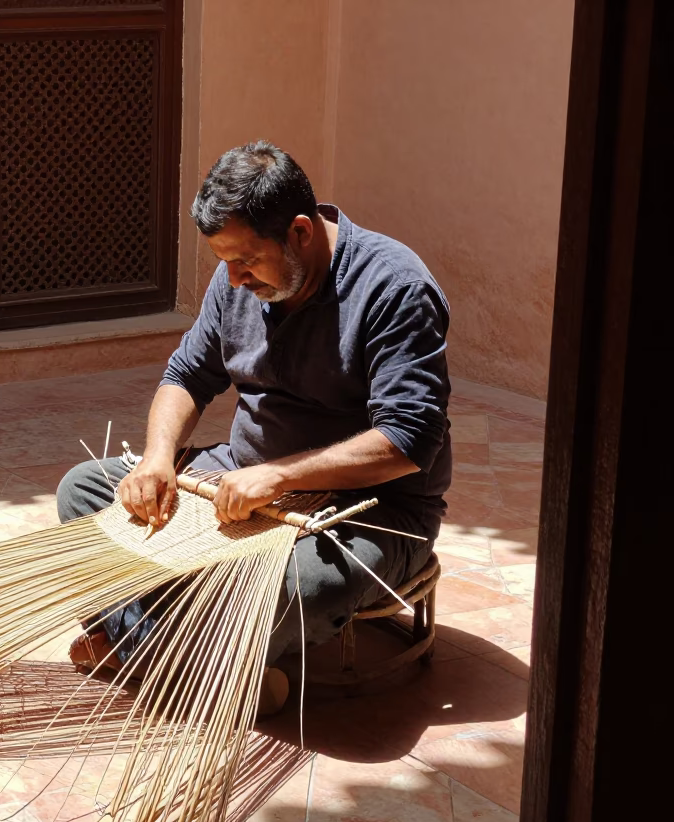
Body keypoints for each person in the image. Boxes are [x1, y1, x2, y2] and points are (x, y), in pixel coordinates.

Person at [56, 141, 452, 714]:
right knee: (84, 492)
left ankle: (139, 640)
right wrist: (158, 457)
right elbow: (186, 376)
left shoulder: (395, 288)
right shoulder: (236, 279)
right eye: (224, 261)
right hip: (239, 477)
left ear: (299, 232)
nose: (235, 278)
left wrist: (280, 476)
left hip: (372, 508)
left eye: (246, 260)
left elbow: (409, 439)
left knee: (303, 587)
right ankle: (204, 663)